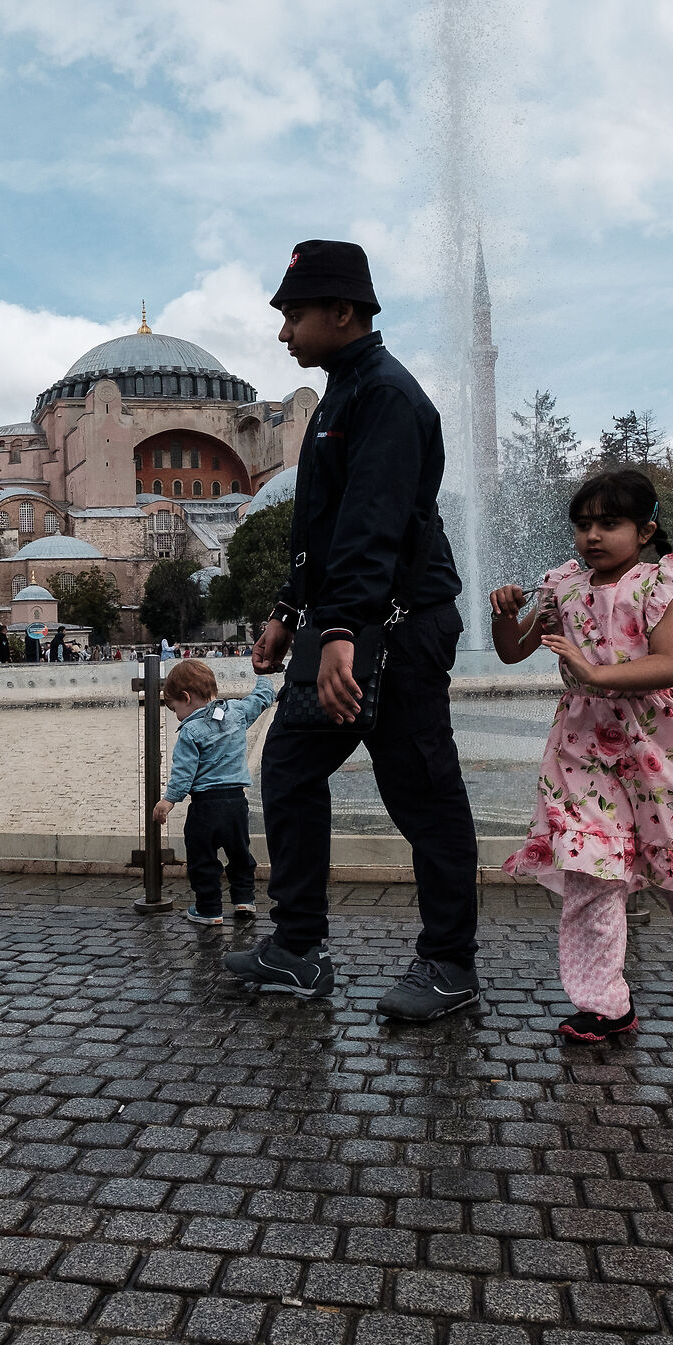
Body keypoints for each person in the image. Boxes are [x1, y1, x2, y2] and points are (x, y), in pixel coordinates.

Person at [224, 240, 479, 1021]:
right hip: (349, 624)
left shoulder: (388, 398)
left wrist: (338, 630)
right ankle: (297, 948)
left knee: (421, 791)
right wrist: (286, 614)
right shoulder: (343, 392)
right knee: (291, 769)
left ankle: (449, 963)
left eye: (293, 314)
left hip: (396, 629)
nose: (282, 333)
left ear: (345, 313)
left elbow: (373, 526)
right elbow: (321, 525)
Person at [494, 470, 673, 1043]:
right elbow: (511, 651)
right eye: (583, 525)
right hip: (581, 746)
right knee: (589, 868)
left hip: (657, 743)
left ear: (645, 528)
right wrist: (505, 613)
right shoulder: (562, 586)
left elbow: (670, 663)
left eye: (610, 523)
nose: (593, 536)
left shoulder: (661, 583)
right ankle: (604, 1003)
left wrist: (597, 672)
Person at [152, 658, 276, 927]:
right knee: (240, 853)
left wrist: (169, 799)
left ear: (186, 697)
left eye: (175, 708)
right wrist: (265, 674)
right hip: (236, 803)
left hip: (205, 806)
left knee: (203, 858)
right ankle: (245, 899)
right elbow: (263, 698)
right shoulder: (237, 712)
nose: (176, 715)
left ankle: (209, 909)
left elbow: (184, 772)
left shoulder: (190, 732)